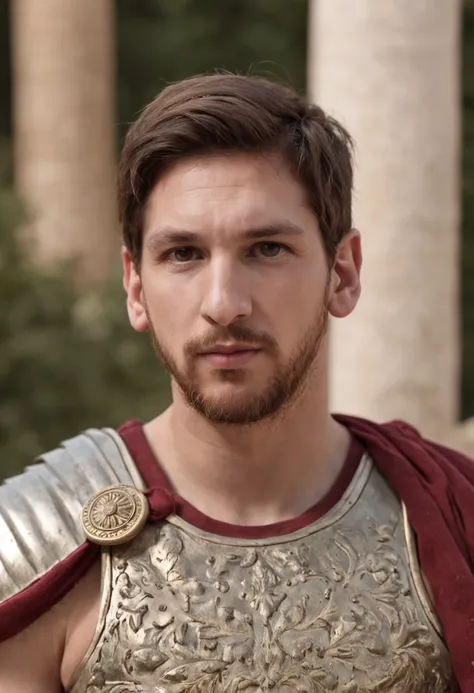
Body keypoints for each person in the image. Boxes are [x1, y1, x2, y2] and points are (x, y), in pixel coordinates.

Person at [0, 73, 472, 693]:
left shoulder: (449, 520)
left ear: (343, 273)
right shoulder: (35, 544)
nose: (224, 303)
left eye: (268, 249)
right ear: (135, 286)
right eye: (183, 254)